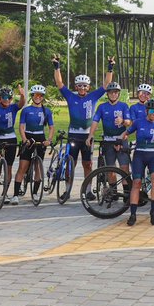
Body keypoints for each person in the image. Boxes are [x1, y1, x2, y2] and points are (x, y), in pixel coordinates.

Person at [54, 56, 109, 199]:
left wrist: (110, 67)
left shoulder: (94, 96)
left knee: (88, 164)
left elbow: (106, 85)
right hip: (73, 135)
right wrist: (57, 67)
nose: (82, 88)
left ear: (88, 87)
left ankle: (88, 191)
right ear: (76, 86)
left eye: (85, 85)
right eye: (79, 85)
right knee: (70, 164)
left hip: (87, 136)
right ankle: (67, 191)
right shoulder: (70, 96)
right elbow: (59, 83)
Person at [127, 97, 154, 226]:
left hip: (153, 155)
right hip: (139, 154)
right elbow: (126, 132)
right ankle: (133, 214)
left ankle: (153, 212)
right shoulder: (138, 122)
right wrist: (120, 141)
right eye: (152, 110)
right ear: (146, 110)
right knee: (137, 182)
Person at [11, 85, 53, 203]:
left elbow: (51, 127)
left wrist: (48, 140)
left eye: (40, 95)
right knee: (23, 166)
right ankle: (15, 194)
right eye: (35, 95)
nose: (38, 97)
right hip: (28, 136)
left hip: (40, 136)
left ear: (43, 97)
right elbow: (21, 126)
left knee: (38, 167)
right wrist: (24, 139)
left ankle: (35, 193)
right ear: (32, 96)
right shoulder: (26, 110)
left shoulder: (47, 111)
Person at [0, 85, 24, 196]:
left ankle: (5, 193)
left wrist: (22, 95)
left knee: (9, 167)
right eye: (4, 97)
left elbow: (21, 104)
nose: (6, 100)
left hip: (11, 138)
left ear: (12, 99)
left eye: (9, 98)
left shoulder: (13, 107)